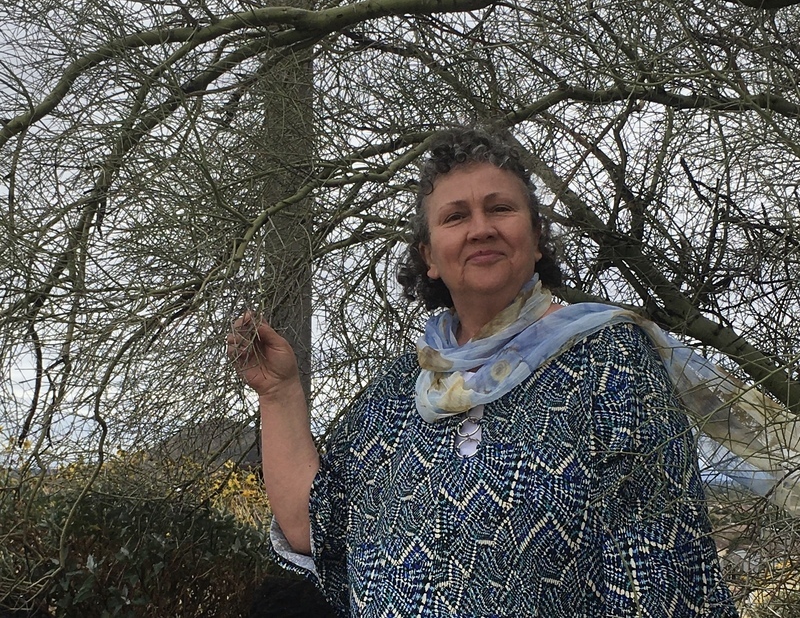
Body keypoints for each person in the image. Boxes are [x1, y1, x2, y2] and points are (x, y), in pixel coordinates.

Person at [228, 127, 739, 617]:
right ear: (429, 256)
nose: (480, 228)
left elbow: (659, 571)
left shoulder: (607, 359)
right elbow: (314, 527)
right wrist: (279, 393)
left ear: (536, 239)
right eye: (455, 216)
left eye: (500, 208)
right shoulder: (400, 388)